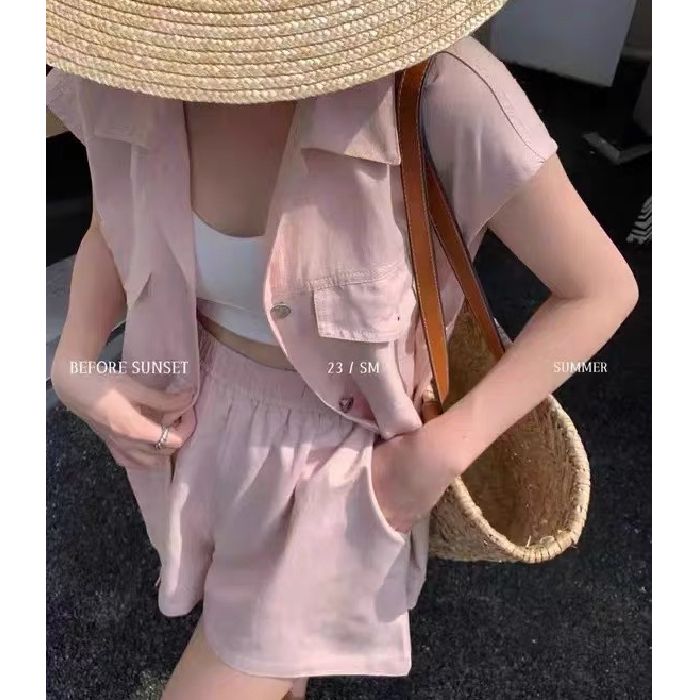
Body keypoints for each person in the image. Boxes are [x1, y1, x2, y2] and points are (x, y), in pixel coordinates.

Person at [46, 1, 638, 698]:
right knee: (269, 663)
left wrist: (443, 450)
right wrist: (75, 364)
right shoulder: (130, 66)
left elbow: (601, 291)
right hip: (188, 436)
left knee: (236, 664)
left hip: (344, 470)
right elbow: (111, 226)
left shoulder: (439, 90)